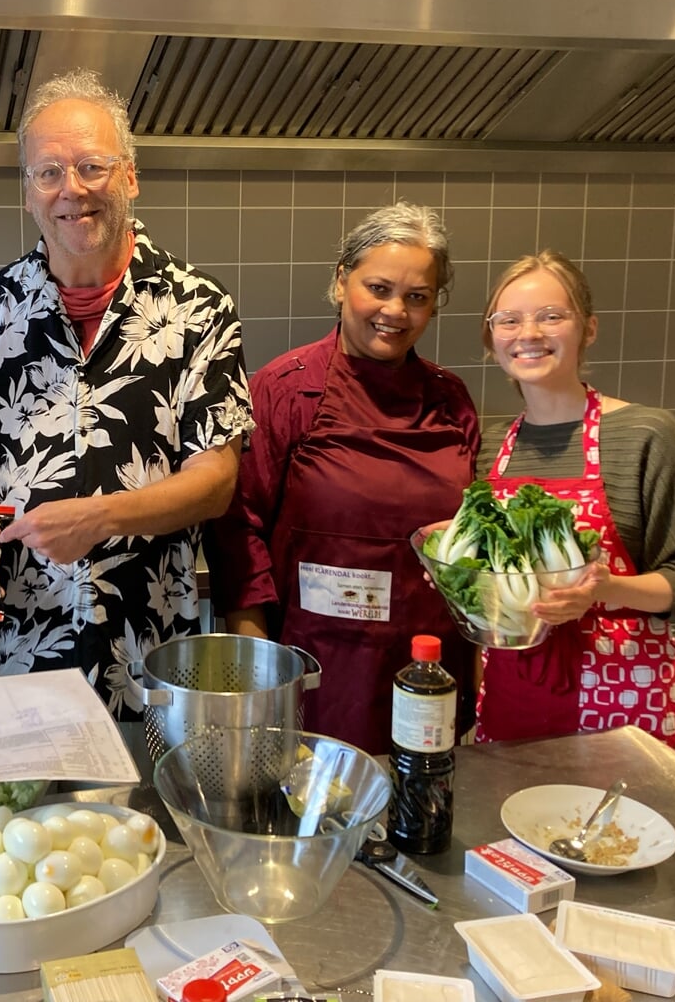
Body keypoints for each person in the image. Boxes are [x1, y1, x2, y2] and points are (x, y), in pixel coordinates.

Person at [0, 68, 254, 716]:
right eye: (49, 173)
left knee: (135, 819)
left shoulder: (198, 307)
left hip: (143, 651)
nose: (72, 190)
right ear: (28, 192)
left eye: (92, 166)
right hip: (4, 652)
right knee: (8, 821)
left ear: (129, 177)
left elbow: (216, 482)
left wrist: (98, 516)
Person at [206, 203, 482, 755]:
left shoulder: (452, 401)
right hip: (319, 674)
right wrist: (261, 673)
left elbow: (468, 547)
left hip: (430, 671)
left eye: (417, 297)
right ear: (340, 281)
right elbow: (238, 532)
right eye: (378, 288)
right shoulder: (283, 391)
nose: (395, 311)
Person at [473, 250, 675, 762]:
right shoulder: (490, 447)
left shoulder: (646, 434)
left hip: (627, 704)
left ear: (587, 330)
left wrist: (605, 590)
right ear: (491, 337)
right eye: (510, 320)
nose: (529, 333)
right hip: (514, 695)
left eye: (552, 316)